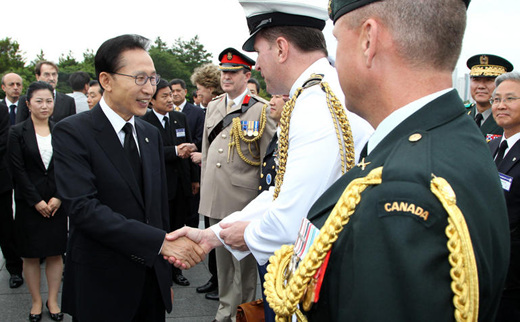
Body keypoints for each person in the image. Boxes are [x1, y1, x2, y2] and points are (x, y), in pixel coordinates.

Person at [250, 0, 510, 320]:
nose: (333, 60)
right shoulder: (457, 137)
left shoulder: (399, 189)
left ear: (368, 40)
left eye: (337, 41)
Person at [167, 4, 373, 322]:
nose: (258, 66)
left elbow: (289, 220)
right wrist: (211, 236)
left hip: (322, 282)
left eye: (259, 52)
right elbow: (282, 191)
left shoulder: (316, 103)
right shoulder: (317, 92)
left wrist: (232, 235)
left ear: (280, 48)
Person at [51, 34, 205, 321]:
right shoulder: (73, 132)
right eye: (140, 78)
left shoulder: (149, 134)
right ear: (106, 81)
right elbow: (84, 209)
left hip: (150, 284)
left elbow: (157, 209)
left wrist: (163, 275)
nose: (150, 88)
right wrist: (161, 242)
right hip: (101, 285)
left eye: (153, 78)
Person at [201, 47, 277, 321]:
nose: (226, 77)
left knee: (243, 264)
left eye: (232, 73)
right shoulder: (213, 106)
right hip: (216, 195)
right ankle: (224, 311)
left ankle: (243, 312)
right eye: (223, 72)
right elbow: (208, 152)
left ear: (247, 75)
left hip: (244, 199)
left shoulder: (262, 109)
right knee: (222, 264)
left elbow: (269, 159)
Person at [8, 81, 67, 322]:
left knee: (55, 253)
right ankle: (35, 301)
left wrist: (58, 197)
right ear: (28, 103)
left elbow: (67, 167)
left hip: (56, 203)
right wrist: (36, 201)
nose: (45, 105)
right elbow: (17, 170)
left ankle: (52, 300)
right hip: (29, 204)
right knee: (30, 255)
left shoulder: (61, 130)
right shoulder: (17, 132)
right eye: (39, 101)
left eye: (49, 100)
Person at [141, 79, 200, 287]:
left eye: (171, 95)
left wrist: (194, 178)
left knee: (179, 226)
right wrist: (175, 151)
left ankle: (176, 270)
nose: (170, 99)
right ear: (152, 100)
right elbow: (149, 152)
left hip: (182, 183)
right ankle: (161, 269)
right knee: (161, 229)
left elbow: (190, 146)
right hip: (160, 184)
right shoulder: (144, 121)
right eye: (164, 96)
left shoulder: (179, 117)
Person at [189, 62, 224, 299]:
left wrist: (205, 156)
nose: (197, 93)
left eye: (200, 88)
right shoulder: (210, 107)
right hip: (213, 183)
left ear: (211, 88)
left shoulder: (221, 107)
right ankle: (216, 278)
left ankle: (221, 283)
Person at [488, 71, 520, 321]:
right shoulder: (490, 146)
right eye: (496, 99)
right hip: (489, 266)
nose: (501, 105)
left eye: (510, 98)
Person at [0, 72, 24, 289]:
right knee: (5, 223)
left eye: (19, 84)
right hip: (3, 173)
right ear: (3, 87)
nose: (16, 87)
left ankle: (33, 251)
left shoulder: (29, 105)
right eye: (11, 84)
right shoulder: (0, 109)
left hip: (27, 169)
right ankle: (14, 268)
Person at [466, 54, 513, 140]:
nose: (481, 86)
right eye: (476, 79)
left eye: (489, 80)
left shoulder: (511, 119)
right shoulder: (460, 115)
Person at [170, 78, 205, 152]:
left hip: (191, 156)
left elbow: (201, 137)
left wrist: (187, 149)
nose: (175, 94)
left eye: (178, 91)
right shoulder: (166, 112)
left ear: (185, 92)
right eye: (172, 91)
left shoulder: (197, 112)